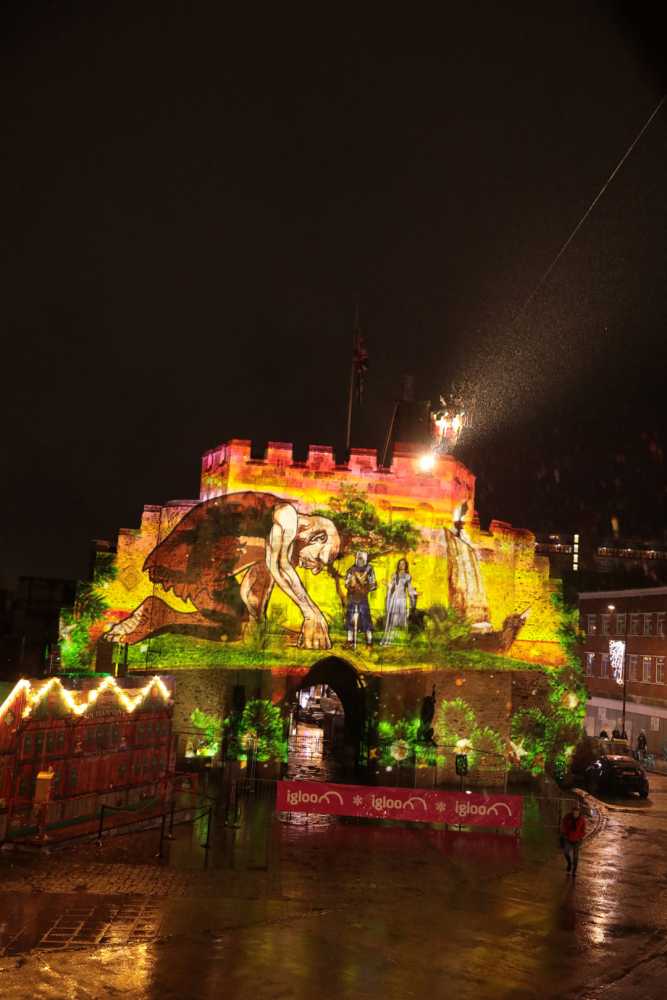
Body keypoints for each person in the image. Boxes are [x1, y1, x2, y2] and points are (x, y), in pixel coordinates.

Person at [107, 491, 340, 650]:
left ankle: (159, 613)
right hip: (194, 554)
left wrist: (256, 626)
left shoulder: (278, 536)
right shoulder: (288, 516)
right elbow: (278, 567)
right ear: (317, 537)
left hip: (213, 559)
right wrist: (311, 613)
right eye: (321, 559)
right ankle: (157, 615)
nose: (317, 569)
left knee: (234, 624)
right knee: (231, 624)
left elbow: (261, 579)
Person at [381, 558, 417, 644]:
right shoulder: (395, 575)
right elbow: (392, 586)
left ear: (406, 565)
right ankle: (391, 638)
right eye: (400, 564)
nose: (402, 565)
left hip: (402, 598)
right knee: (394, 617)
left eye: (403, 564)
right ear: (398, 565)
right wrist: (386, 584)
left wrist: (415, 593)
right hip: (395, 598)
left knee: (401, 617)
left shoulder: (408, 576)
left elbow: (409, 588)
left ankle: (400, 638)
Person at [345, 551, 376, 646]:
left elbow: (373, 584)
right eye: (359, 558)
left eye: (362, 559)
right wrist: (351, 584)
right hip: (352, 595)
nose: (360, 560)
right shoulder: (351, 569)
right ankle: (350, 640)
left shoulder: (369, 569)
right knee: (350, 618)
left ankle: (369, 640)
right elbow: (346, 582)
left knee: (365, 617)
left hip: (363, 596)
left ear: (365, 559)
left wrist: (366, 586)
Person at [561, 805, 586, 876]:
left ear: (579, 813)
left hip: (577, 840)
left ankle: (574, 871)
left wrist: (580, 837)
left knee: (575, 856)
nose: (575, 814)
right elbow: (563, 825)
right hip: (568, 838)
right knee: (566, 852)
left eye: (577, 813)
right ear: (572, 812)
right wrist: (564, 833)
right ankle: (569, 864)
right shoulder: (568, 817)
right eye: (574, 813)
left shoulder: (582, 820)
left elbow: (583, 830)